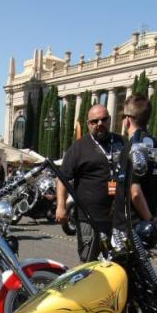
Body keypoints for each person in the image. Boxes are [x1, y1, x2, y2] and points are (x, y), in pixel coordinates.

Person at [56, 103, 126, 261]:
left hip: (118, 218)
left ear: (109, 120)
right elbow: (62, 178)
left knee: (119, 264)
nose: (99, 124)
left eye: (103, 119)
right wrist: (61, 206)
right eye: (94, 121)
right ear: (88, 124)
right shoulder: (79, 147)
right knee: (88, 263)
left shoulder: (122, 143)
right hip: (89, 218)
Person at [122, 93, 157, 229]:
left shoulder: (132, 147)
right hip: (151, 223)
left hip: (131, 224)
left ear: (127, 120)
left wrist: (150, 219)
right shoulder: (156, 145)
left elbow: (135, 192)